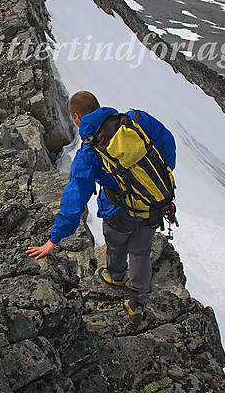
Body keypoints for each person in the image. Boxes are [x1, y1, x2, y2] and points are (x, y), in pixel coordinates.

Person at [26, 91, 176, 323]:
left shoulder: (88, 154)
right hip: (154, 204)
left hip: (118, 211)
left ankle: (115, 275)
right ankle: (136, 303)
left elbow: (74, 200)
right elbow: (168, 143)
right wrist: (154, 182)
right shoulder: (137, 120)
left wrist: (53, 240)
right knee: (141, 251)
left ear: (77, 117)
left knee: (116, 243)